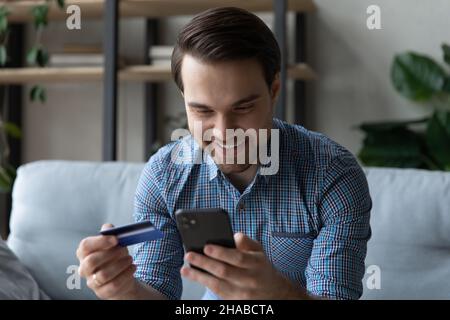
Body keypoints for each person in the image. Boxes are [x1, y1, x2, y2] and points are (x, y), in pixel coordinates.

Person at [76, 7, 371, 300]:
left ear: (275, 89)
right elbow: (156, 288)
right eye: (202, 110)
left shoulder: (333, 173)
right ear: (184, 101)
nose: (224, 132)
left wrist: (276, 294)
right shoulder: (163, 176)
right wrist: (124, 290)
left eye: (242, 108)